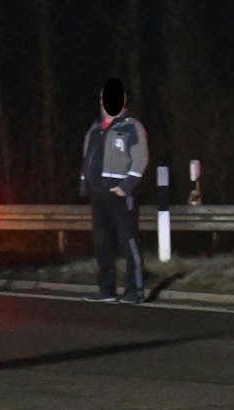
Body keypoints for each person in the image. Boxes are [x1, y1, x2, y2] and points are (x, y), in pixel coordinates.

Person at [79, 78, 149, 304]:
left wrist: (126, 186)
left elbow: (140, 159)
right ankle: (106, 289)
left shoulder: (131, 126)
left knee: (127, 241)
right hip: (98, 194)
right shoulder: (94, 128)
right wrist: (85, 184)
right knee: (102, 243)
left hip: (119, 193)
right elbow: (87, 158)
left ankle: (135, 291)